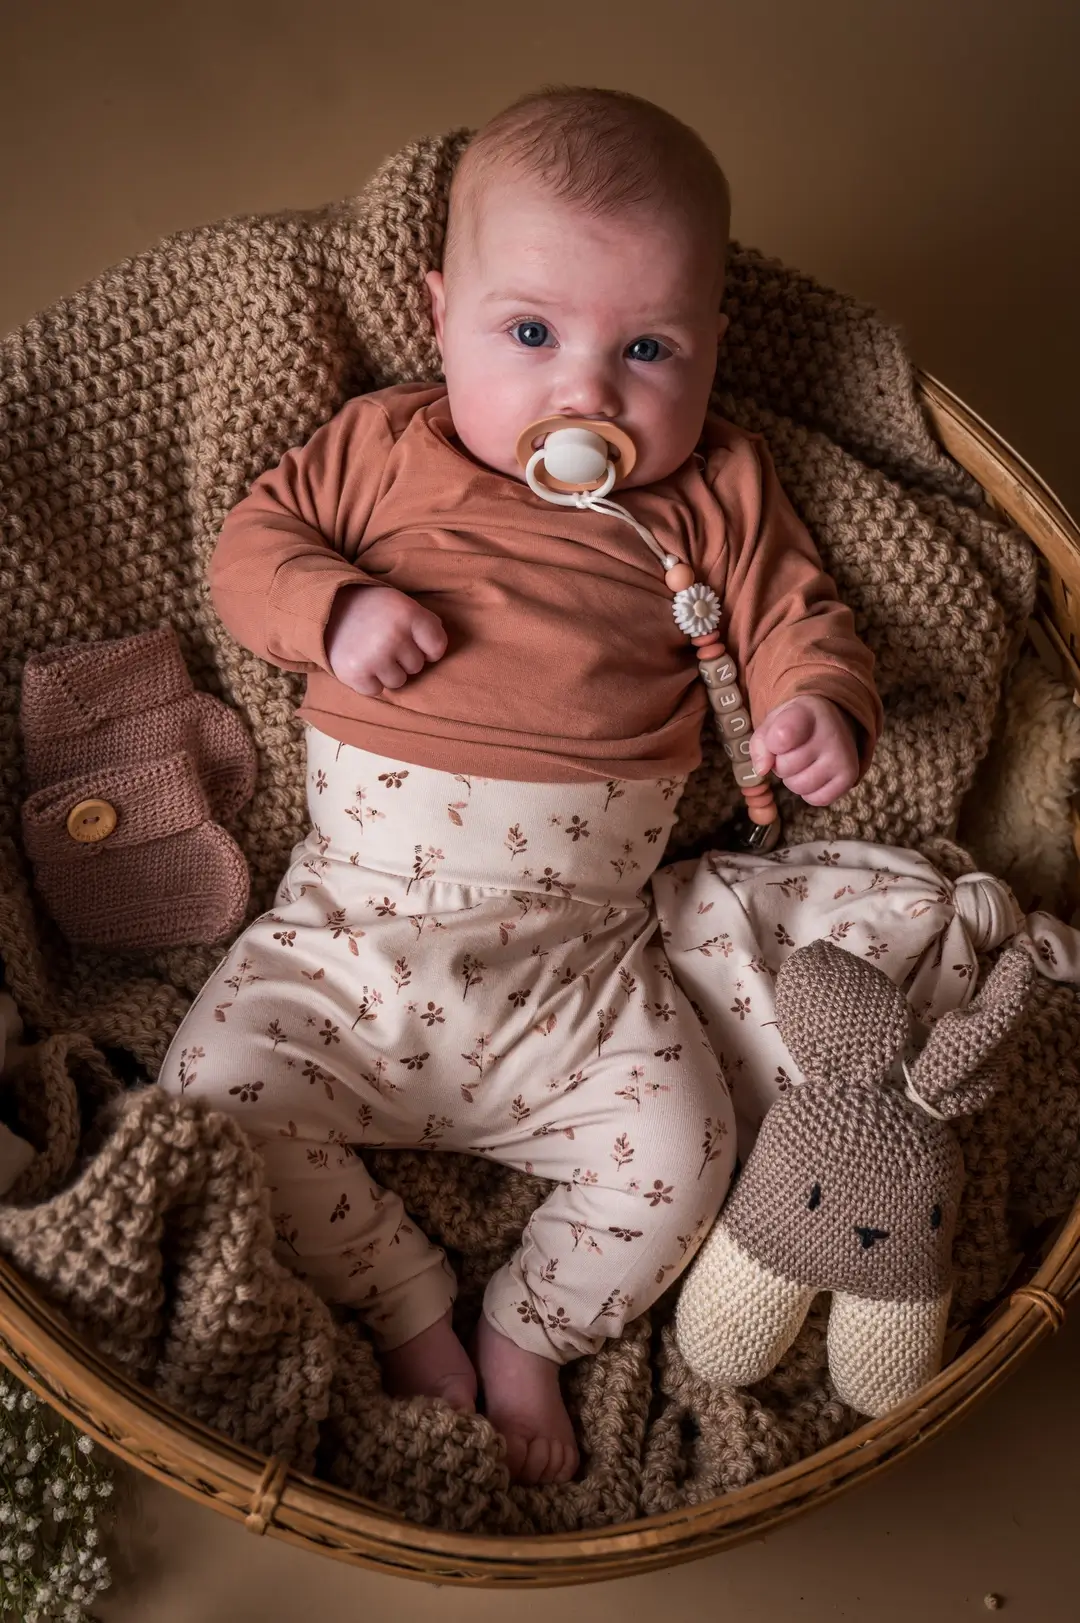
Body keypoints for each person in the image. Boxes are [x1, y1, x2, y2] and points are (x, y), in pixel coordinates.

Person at [158, 85, 882, 1486]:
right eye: (532, 334)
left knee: (686, 1150)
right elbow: (253, 547)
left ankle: (531, 1324)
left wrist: (814, 703)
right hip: (347, 946)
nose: (589, 394)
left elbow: (800, 610)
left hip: (582, 972)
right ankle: (405, 1295)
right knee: (211, 1093)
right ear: (441, 316)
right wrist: (337, 608)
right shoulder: (385, 448)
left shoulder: (718, 486)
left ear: (712, 350)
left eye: (649, 348)